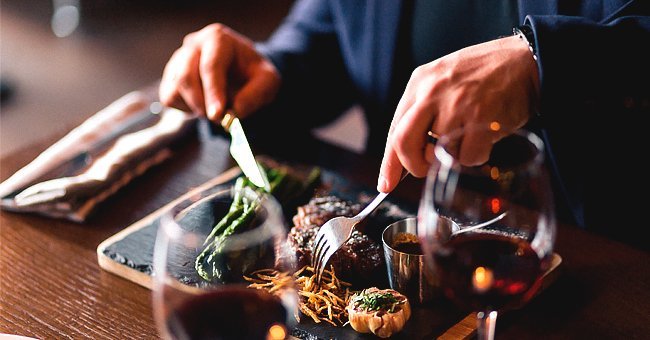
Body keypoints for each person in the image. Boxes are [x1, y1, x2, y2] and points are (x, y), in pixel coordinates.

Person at [158, 0, 650, 249]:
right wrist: (268, 73)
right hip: (414, 239)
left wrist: (543, 66)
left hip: (604, 259)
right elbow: (328, 30)